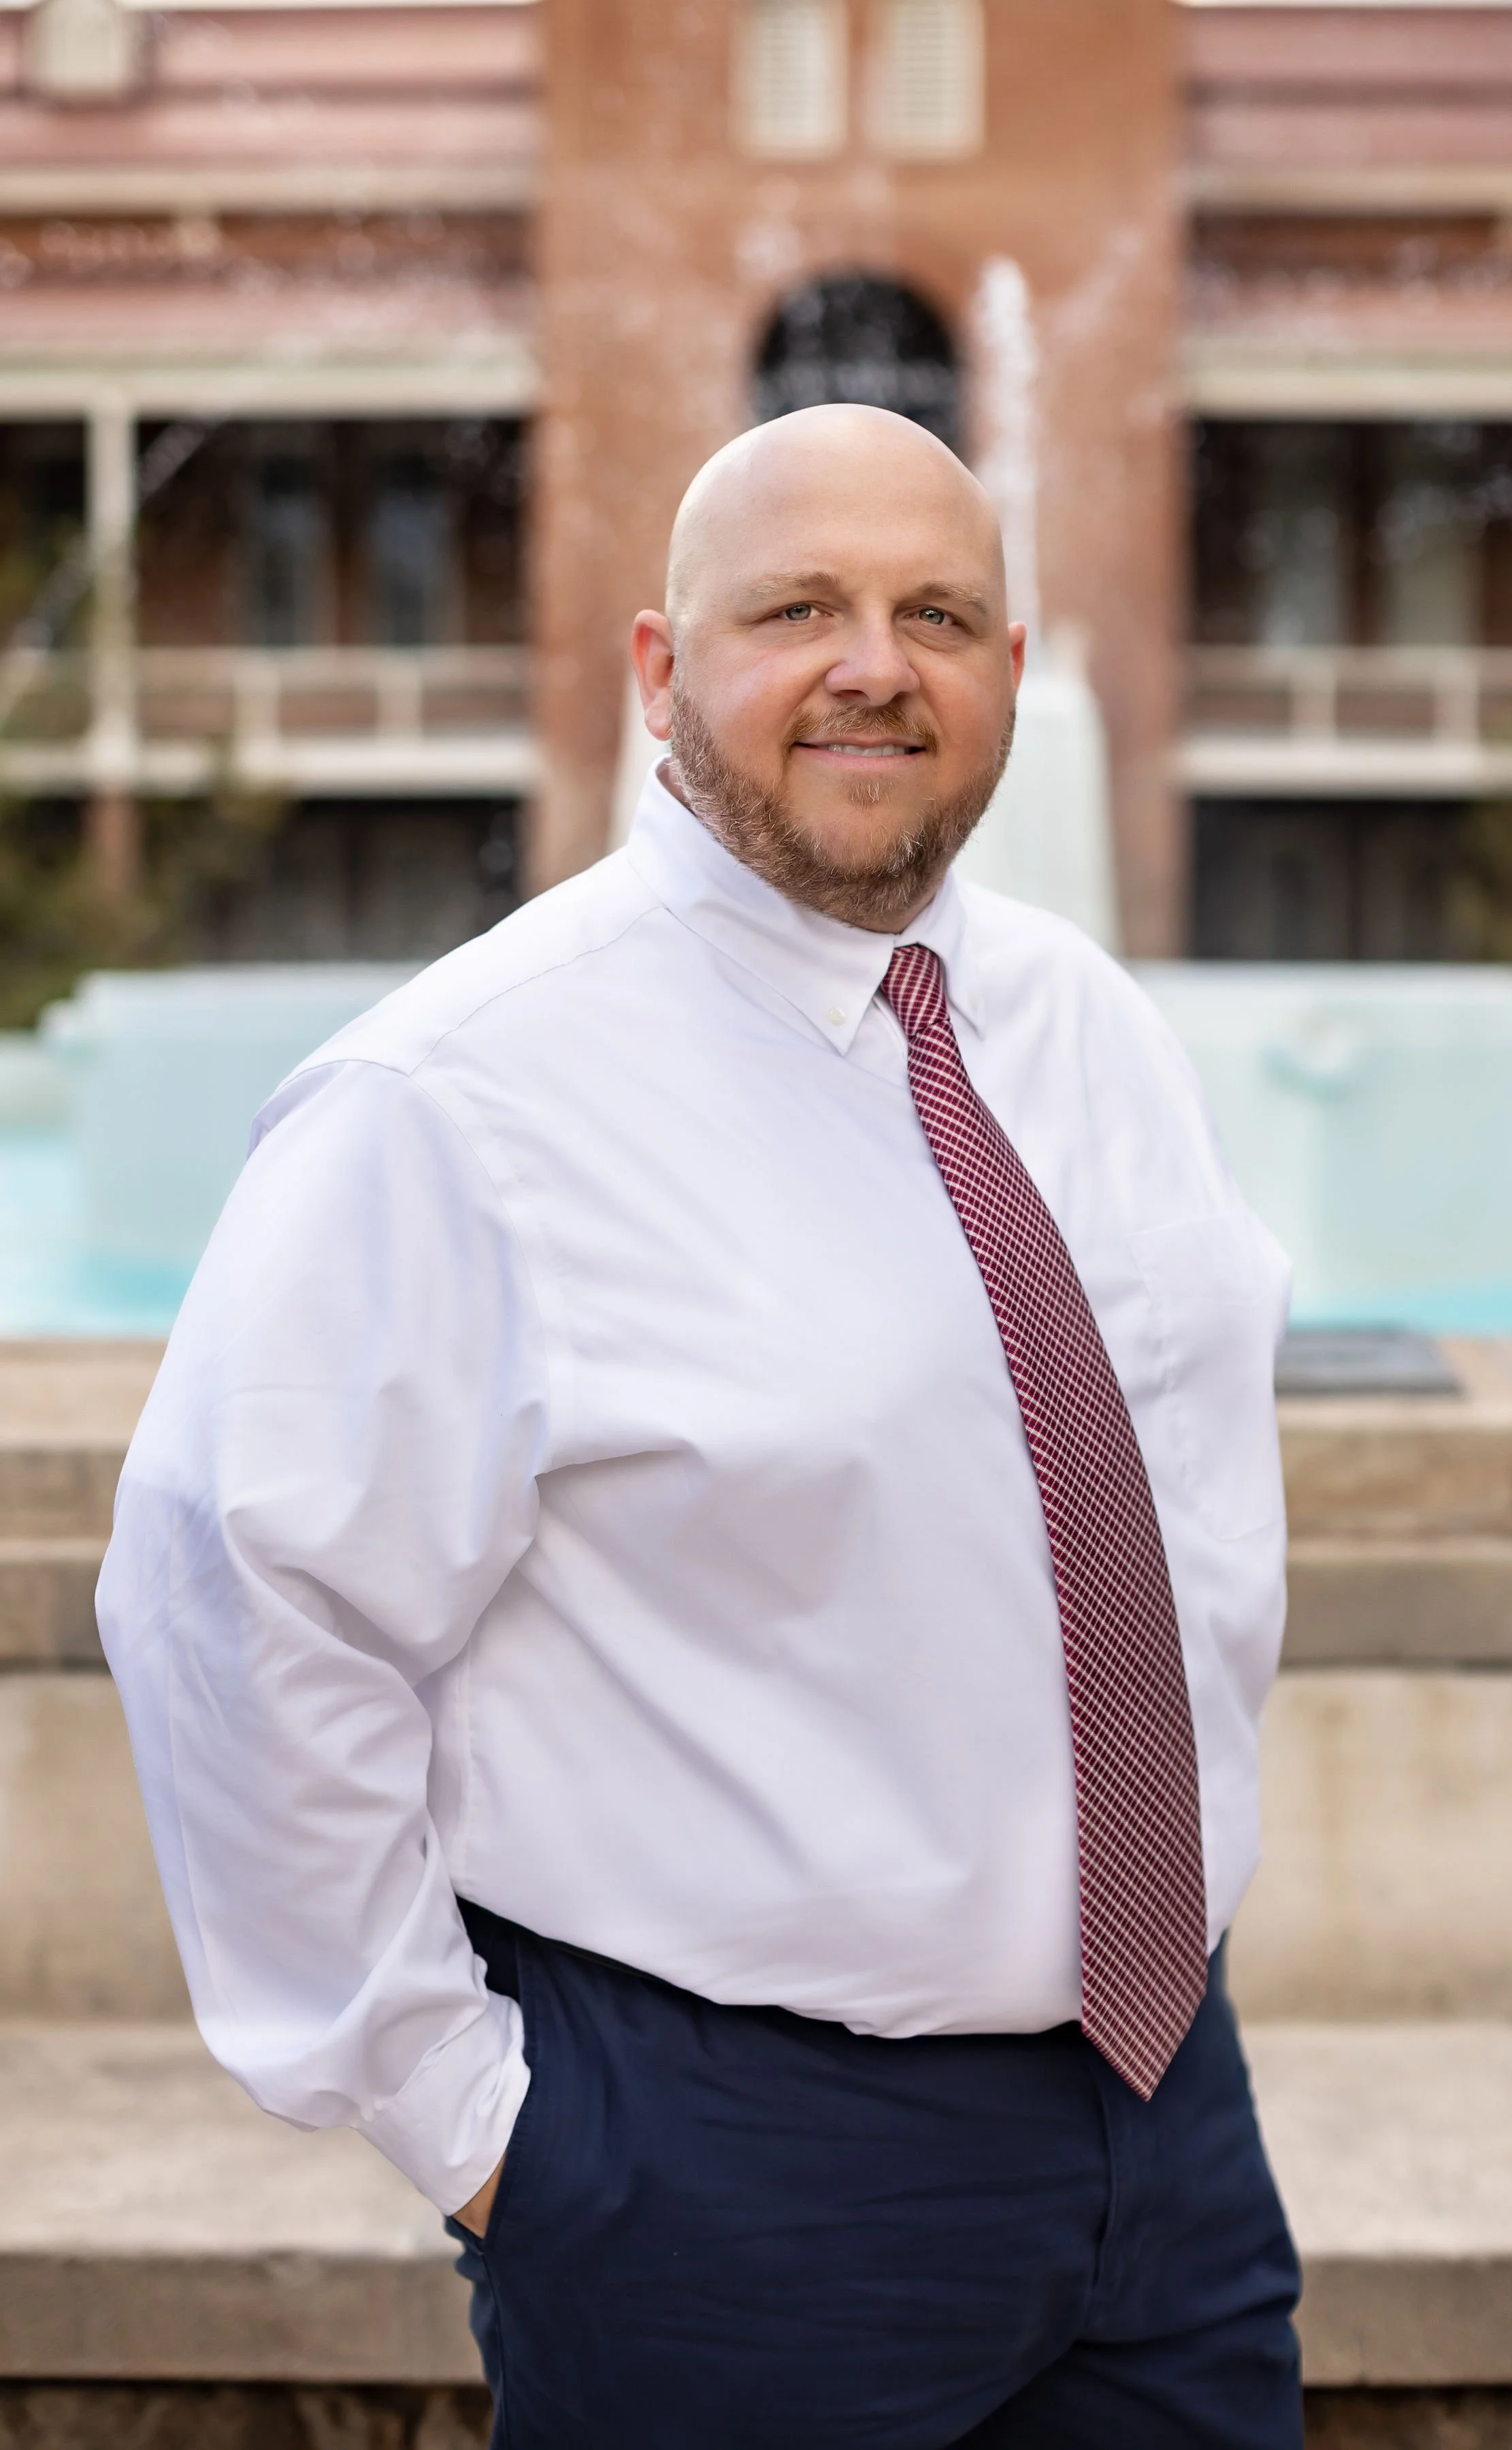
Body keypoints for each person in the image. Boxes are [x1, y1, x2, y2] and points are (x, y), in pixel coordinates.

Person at [99, 403, 1300, 2449]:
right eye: (797, 608)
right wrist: (477, 2130)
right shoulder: (461, 1097)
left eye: (938, 611)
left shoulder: (1085, 1025)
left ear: (1010, 671)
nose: (874, 662)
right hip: (722, 2177)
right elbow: (237, 1601)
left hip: (1163, 2129)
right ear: (662, 671)